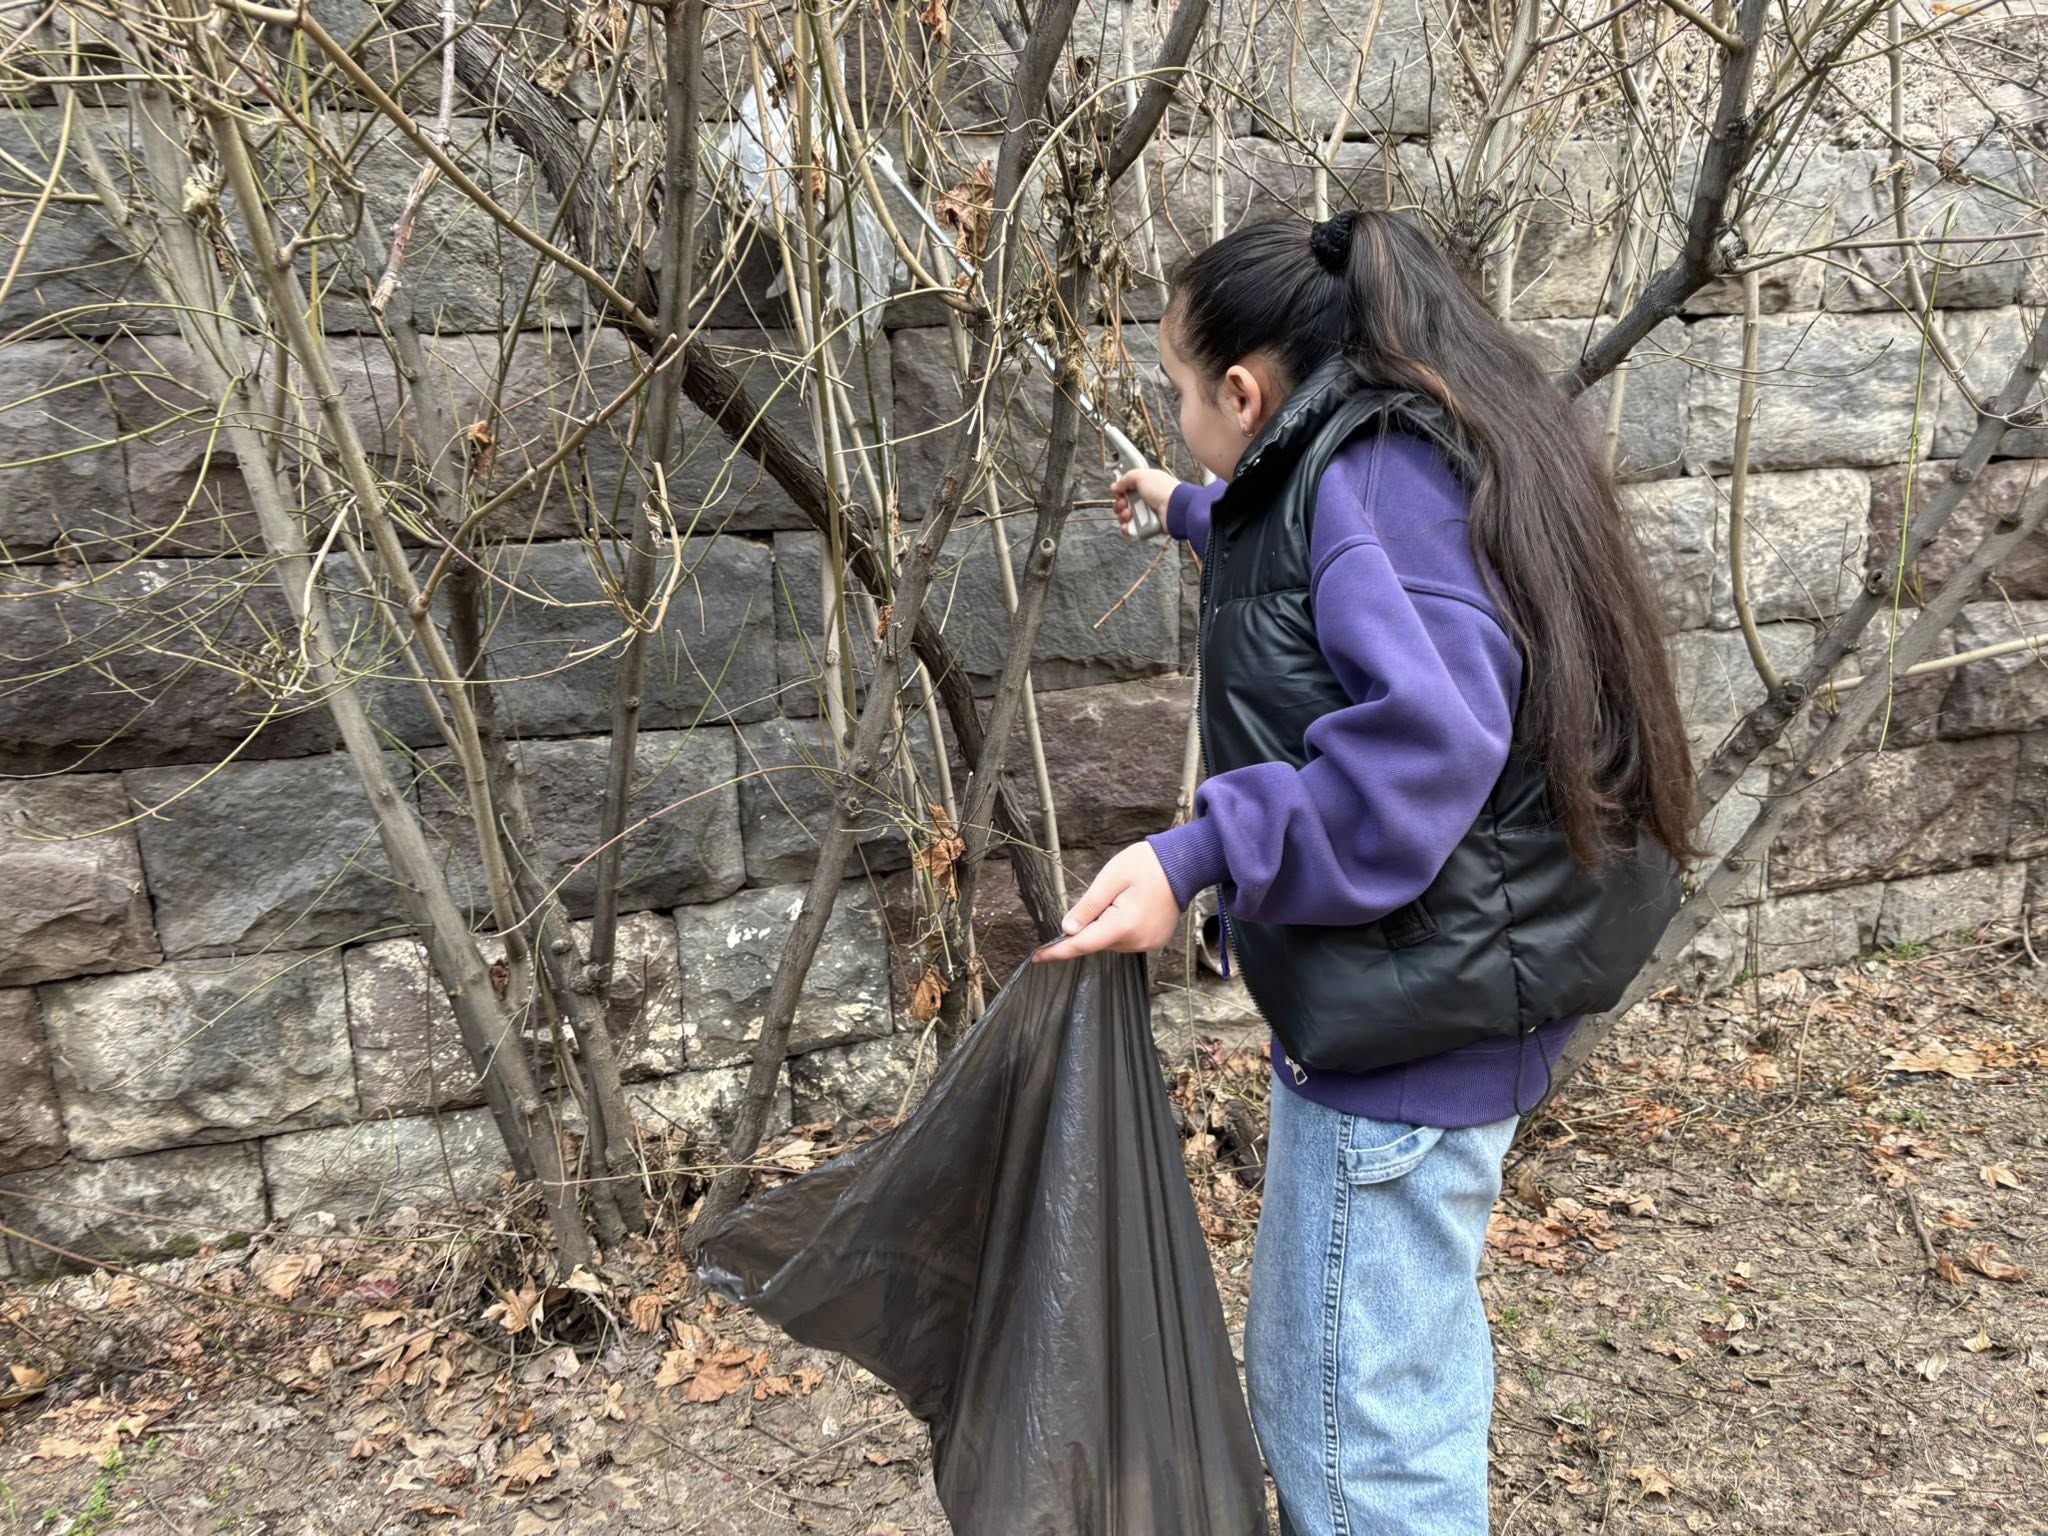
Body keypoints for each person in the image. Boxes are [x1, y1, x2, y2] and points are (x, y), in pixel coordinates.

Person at [1035, 209, 1695, 1534]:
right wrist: (1189, 511)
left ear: (1243, 390)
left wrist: (1199, 852)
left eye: (1177, 397)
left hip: (1408, 1037)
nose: (1177, 421)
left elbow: (1419, 752)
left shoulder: (1369, 486)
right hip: (1448, 999)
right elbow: (1318, 564)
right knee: (1390, 1379)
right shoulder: (1386, 442)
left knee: (1344, 1438)